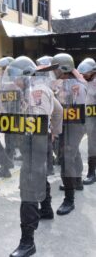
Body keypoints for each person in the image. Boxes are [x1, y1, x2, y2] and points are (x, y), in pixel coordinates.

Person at [5, 56, 61, 257]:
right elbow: (58, 111)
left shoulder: (36, 91)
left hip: (34, 144)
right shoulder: (33, 88)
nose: (13, 82)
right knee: (40, 177)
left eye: (15, 78)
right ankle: (46, 209)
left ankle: (27, 242)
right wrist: (53, 132)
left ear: (25, 76)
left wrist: (50, 133)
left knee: (28, 189)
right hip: (38, 143)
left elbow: (35, 124)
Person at [52, 53, 86, 215]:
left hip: (74, 125)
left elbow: (74, 110)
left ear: (63, 68)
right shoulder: (63, 82)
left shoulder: (76, 85)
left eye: (55, 67)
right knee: (73, 154)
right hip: (66, 124)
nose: (53, 71)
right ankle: (77, 181)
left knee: (66, 158)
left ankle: (69, 199)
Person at [77, 58, 96, 185]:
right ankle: (78, 173)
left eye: (86, 73)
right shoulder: (84, 81)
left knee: (92, 146)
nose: (84, 76)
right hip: (84, 117)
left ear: (93, 71)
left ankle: (91, 173)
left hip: (93, 118)